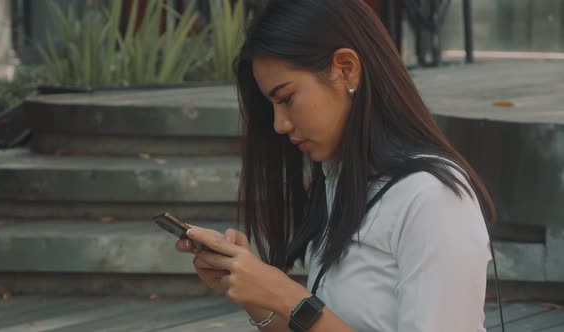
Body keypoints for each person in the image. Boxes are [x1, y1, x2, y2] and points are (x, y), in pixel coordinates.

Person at [176, 0, 493, 331]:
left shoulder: (432, 198)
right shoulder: (338, 180)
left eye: (286, 99)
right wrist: (257, 296)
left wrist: (287, 295)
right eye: (272, 106)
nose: (279, 124)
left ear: (345, 69)